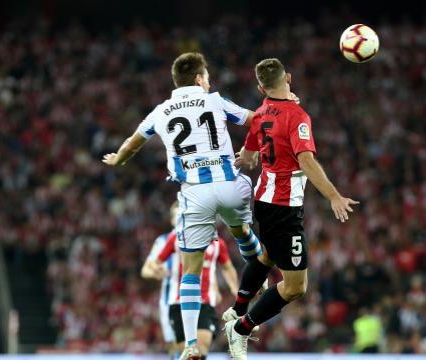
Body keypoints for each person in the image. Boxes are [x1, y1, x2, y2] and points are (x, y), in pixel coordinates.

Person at [102, 52, 265, 360]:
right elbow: (256, 119)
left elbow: (132, 143)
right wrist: (250, 151)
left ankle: (190, 343)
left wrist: (117, 160)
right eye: (208, 77)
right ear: (200, 79)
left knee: (190, 270)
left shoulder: (160, 111)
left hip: (195, 194)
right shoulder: (215, 100)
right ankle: (260, 273)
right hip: (231, 184)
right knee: (241, 230)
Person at [222, 58, 359, 359]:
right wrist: (334, 196)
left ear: (261, 87)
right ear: (290, 78)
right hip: (283, 207)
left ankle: (237, 310)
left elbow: (248, 155)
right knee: (296, 287)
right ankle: (241, 328)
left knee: (268, 255)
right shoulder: (297, 116)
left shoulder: (259, 114)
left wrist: (247, 159)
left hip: (264, 200)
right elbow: (306, 161)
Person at [150, 229, 239, 360]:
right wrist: (158, 270)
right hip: (178, 303)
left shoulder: (218, 244)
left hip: (205, 302)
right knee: (185, 353)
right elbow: (156, 262)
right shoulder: (176, 238)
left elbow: (228, 267)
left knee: (201, 348)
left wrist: (234, 288)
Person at [140, 203, 179, 356]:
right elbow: (145, 270)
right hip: (169, 301)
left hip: (196, 299)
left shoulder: (200, 239)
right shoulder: (162, 241)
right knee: (174, 345)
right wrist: (158, 272)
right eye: (176, 215)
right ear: (171, 220)